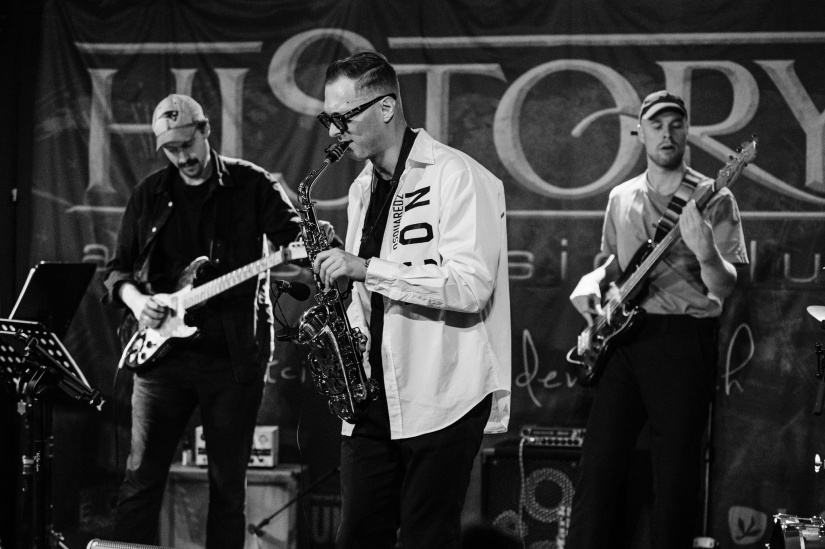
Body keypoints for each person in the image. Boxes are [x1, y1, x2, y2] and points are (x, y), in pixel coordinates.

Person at [312, 51, 511, 549]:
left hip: (442, 394)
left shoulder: (457, 175)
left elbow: (470, 286)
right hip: (370, 397)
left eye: (343, 117)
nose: (334, 131)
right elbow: (374, 291)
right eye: (327, 119)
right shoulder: (361, 188)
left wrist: (366, 268)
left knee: (427, 539)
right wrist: (344, 293)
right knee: (357, 537)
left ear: (386, 107)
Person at [103, 94, 303, 549]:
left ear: (206, 130)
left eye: (187, 145)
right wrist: (138, 302)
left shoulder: (252, 184)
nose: (182, 157)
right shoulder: (150, 194)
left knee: (228, 489)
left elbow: (295, 240)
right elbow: (116, 271)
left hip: (231, 359)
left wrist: (312, 244)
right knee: (140, 480)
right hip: (160, 359)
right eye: (171, 150)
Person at [566, 91, 749, 549]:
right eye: (656, 125)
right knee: (597, 469)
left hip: (683, 339)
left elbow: (724, 286)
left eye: (675, 124)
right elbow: (614, 264)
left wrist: (706, 251)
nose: (667, 134)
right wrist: (592, 281)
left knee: (675, 477)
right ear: (640, 133)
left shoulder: (715, 197)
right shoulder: (621, 196)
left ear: (687, 131)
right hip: (624, 339)